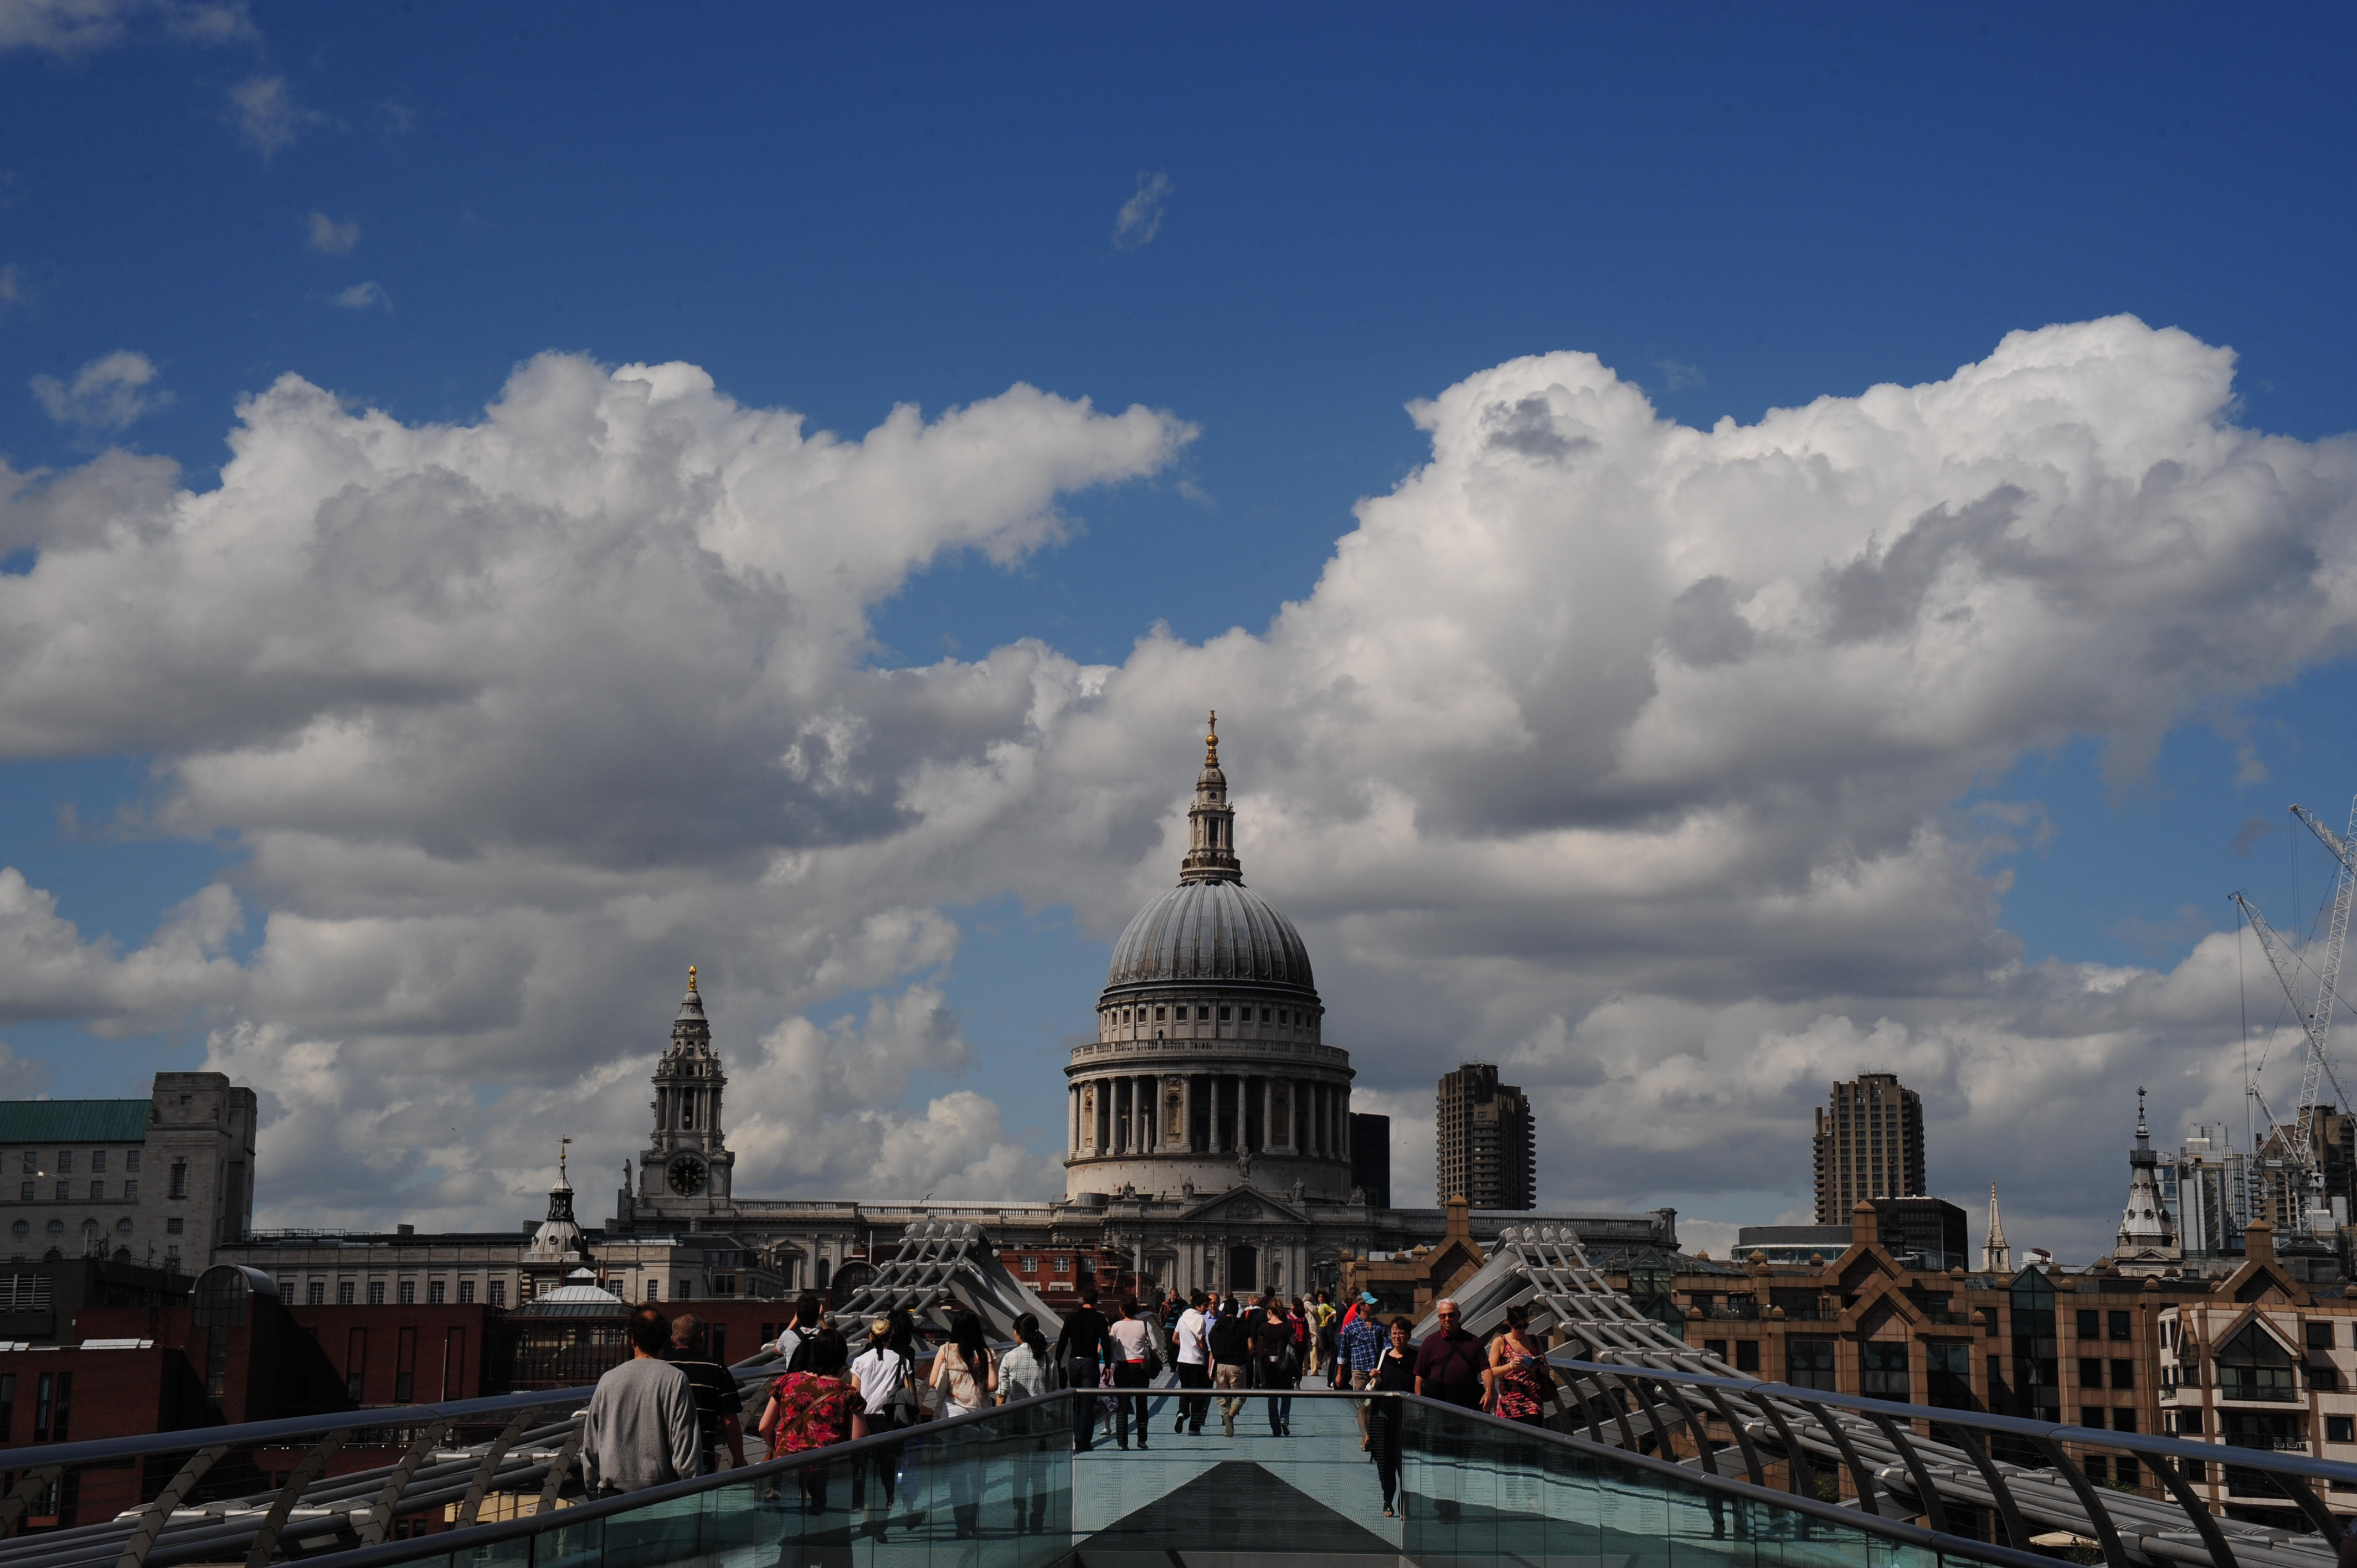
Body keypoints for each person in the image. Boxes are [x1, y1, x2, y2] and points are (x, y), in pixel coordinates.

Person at [580, 1307, 703, 1494]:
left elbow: (592, 1443)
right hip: (660, 1496)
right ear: (664, 1340)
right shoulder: (675, 1379)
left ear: (633, 1340)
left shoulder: (608, 1380)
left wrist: (593, 1484)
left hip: (611, 1497)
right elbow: (685, 1446)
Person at [756, 1325, 859, 1516]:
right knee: (826, 1527)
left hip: (787, 1466)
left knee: (790, 1525)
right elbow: (860, 1440)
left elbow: (764, 1427)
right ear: (841, 1358)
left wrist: (779, 1447)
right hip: (827, 1469)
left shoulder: (787, 1382)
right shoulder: (848, 1393)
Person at [848, 1316, 916, 1522]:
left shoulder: (860, 1361)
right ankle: (888, 1501)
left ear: (870, 1336)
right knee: (887, 1465)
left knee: (860, 1465)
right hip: (889, 1419)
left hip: (864, 1419)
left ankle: (859, 1503)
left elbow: (854, 1393)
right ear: (891, 1336)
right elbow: (910, 1392)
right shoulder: (901, 1360)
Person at [666, 1313, 747, 1470]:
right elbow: (729, 1420)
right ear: (702, 1337)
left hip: (664, 1460)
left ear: (673, 1339)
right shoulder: (716, 1369)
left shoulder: (662, 1366)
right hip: (701, 1459)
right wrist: (738, 1460)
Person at [1053, 1286, 1113, 1451]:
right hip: (1090, 1363)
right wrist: (1107, 1365)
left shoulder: (1071, 1318)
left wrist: (1057, 1363)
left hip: (1074, 1362)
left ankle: (1077, 1437)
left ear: (1082, 1300)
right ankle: (1084, 1442)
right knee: (1088, 1402)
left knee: (1077, 1401)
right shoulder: (1099, 1319)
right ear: (1096, 1302)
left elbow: (1063, 1341)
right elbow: (1106, 1344)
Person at [1368, 1318, 1416, 1518]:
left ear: (1409, 1335)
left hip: (1407, 1418)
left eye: (1402, 1333)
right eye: (1394, 1333)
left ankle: (1404, 1501)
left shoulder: (1416, 1357)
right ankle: (1388, 1499)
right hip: (1383, 1417)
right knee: (1384, 1462)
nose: (1398, 1337)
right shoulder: (1385, 1356)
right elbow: (1379, 1383)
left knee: (1405, 1463)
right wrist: (1375, 1376)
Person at [1483, 1302, 1551, 1427]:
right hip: (1509, 1403)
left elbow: (1547, 1371)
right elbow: (1491, 1372)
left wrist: (1541, 1366)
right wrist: (1511, 1366)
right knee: (1510, 1444)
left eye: (1526, 1326)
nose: (1523, 1330)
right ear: (1510, 1324)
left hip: (1533, 1401)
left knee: (1532, 1439)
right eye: (1518, 1327)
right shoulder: (1500, 1342)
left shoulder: (1534, 1340)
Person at [1413, 1298, 1486, 1410]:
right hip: (1438, 1403)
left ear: (1459, 1316)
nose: (1447, 1319)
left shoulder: (1474, 1341)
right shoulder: (1430, 1342)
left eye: (1451, 1315)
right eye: (1443, 1316)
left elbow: (1485, 1370)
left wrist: (1489, 1391)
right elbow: (1420, 1375)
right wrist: (1419, 1402)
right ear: (1439, 1318)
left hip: (1468, 1401)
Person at [1338, 1291, 1386, 1447]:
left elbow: (1386, 1346)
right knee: (1362, 1406)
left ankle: (1370, 1434)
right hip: (1358, 1371)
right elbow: (1343, 1351)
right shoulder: (1351, 1327)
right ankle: (1365, 1436)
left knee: (1370, 1406)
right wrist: (1339, 1373)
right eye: (1369, 1304)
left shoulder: (1379, 1326)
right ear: (1361, 1306)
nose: (1373, 1307)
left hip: (1374, 1372)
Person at [930, 1311, 999, 1416]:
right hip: (979, 1409)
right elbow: (993, 1385)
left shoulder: (946, 1350)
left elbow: (933, 1382)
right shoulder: (986, 1353)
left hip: (952, 1411)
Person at [1107, 1296, 1154, 1449]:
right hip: (1140, 1368)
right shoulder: (1145, 1325)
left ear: (1122, 1310)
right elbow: (1155, 1347)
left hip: (1122, 1368)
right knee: (1142, 1403)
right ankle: (1142, 1440)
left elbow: (1112, 1346)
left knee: (1122, 1405)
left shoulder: (1116, 1327)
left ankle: (1122, 1442)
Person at [1208, 1293, 1253, 1438]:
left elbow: (1212, 1348)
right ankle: (1231, 1416)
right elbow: (1251, 1347)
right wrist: (1245, 1355)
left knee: (1223, 1397)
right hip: (1237, 1366)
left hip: (1220, 1366)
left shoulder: (1217, 1326)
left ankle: (1225, 1417)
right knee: (1240, 1395)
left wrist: (1211, 1369)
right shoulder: (1243, 1326)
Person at [1250, 1291, 1295, 1435]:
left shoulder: (1263, 1328)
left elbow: (1260, 1350)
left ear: (1269, 1312)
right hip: (1285, 1364)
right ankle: (1284, 1418)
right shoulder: (1287, 1327)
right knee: (1286, 1395)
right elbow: (1293, 1343)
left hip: (1269, 1365)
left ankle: (1275, 1427)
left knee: (1272, 1398)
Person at [1171, 1289, 1211, 1435]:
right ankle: (1194, 1428)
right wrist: (1206, 1350)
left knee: (1185, 1389)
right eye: (1205, 1306)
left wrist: (1187, 1345)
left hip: (1182, 1360)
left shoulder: (1182, 1318)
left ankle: (1182, 1413)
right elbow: (1201, 1344)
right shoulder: (1200, 1319)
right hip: (1196, 1361)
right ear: (1198, 1306)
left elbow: (1174, 1339)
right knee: (1198, 1395)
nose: (1207, 1309)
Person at [773, 1292, 825, 1368]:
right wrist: (822, 1320)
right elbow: (837, 1342)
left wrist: (794, 1321)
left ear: (798, 1315)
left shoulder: (787, 1336)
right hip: (816, 1379)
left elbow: (777, 1350)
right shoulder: (825, 1337)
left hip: (795, 1379)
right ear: (817, 1315)